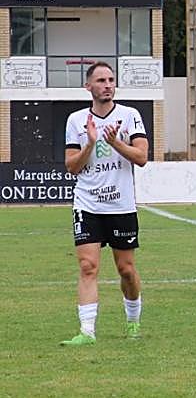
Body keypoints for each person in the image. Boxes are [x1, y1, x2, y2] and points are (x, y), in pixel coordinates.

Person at [61, 61, 149, 345]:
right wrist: (90, 143)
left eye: (111, 80)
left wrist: (115, 143)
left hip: (121, 205)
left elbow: (142, 157)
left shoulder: (130, 115)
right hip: (87, 204)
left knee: (126, 270)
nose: (107, 85)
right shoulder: (76, 120)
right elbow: (72, 167)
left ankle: (133, 321)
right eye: (101, 80)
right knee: (88, 266)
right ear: (88, 86)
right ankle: (87, 332)